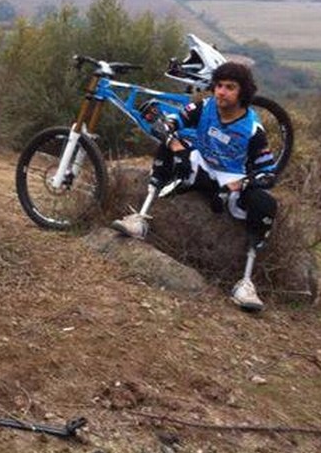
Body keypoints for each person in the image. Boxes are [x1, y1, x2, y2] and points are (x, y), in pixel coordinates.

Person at [110, 61, 278, 312]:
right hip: (201, 165)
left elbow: (268, 173)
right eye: (219, 86)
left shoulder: (253, 130)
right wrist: (173, 141)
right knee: (167, 147)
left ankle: (245, 283)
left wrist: (241, 183)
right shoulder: (205, 107)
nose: (221, 92)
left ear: (243, 92)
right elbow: (169, 123)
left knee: (264, 204)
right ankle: (140, 220)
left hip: (230, 179)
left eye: (230, 87)